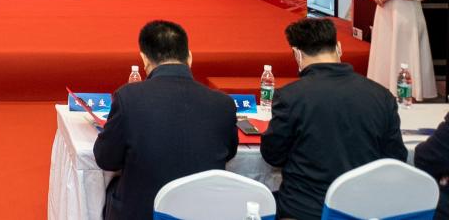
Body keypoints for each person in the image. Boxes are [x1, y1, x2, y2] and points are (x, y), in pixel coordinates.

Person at [261, 17, 407, 220]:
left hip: (305, 210)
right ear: (339, 48)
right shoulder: (381, 95)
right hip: (365, 209)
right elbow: (396, 158)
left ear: (297, 54)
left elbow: (273, 155)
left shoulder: (290, 96)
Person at [92, 20, 237, 220]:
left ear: (144, 59)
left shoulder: (128, 98)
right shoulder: (223, 104)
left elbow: (106, 159)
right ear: (189, 57)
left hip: (143, 212)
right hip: (203, 212)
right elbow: (229, 153)